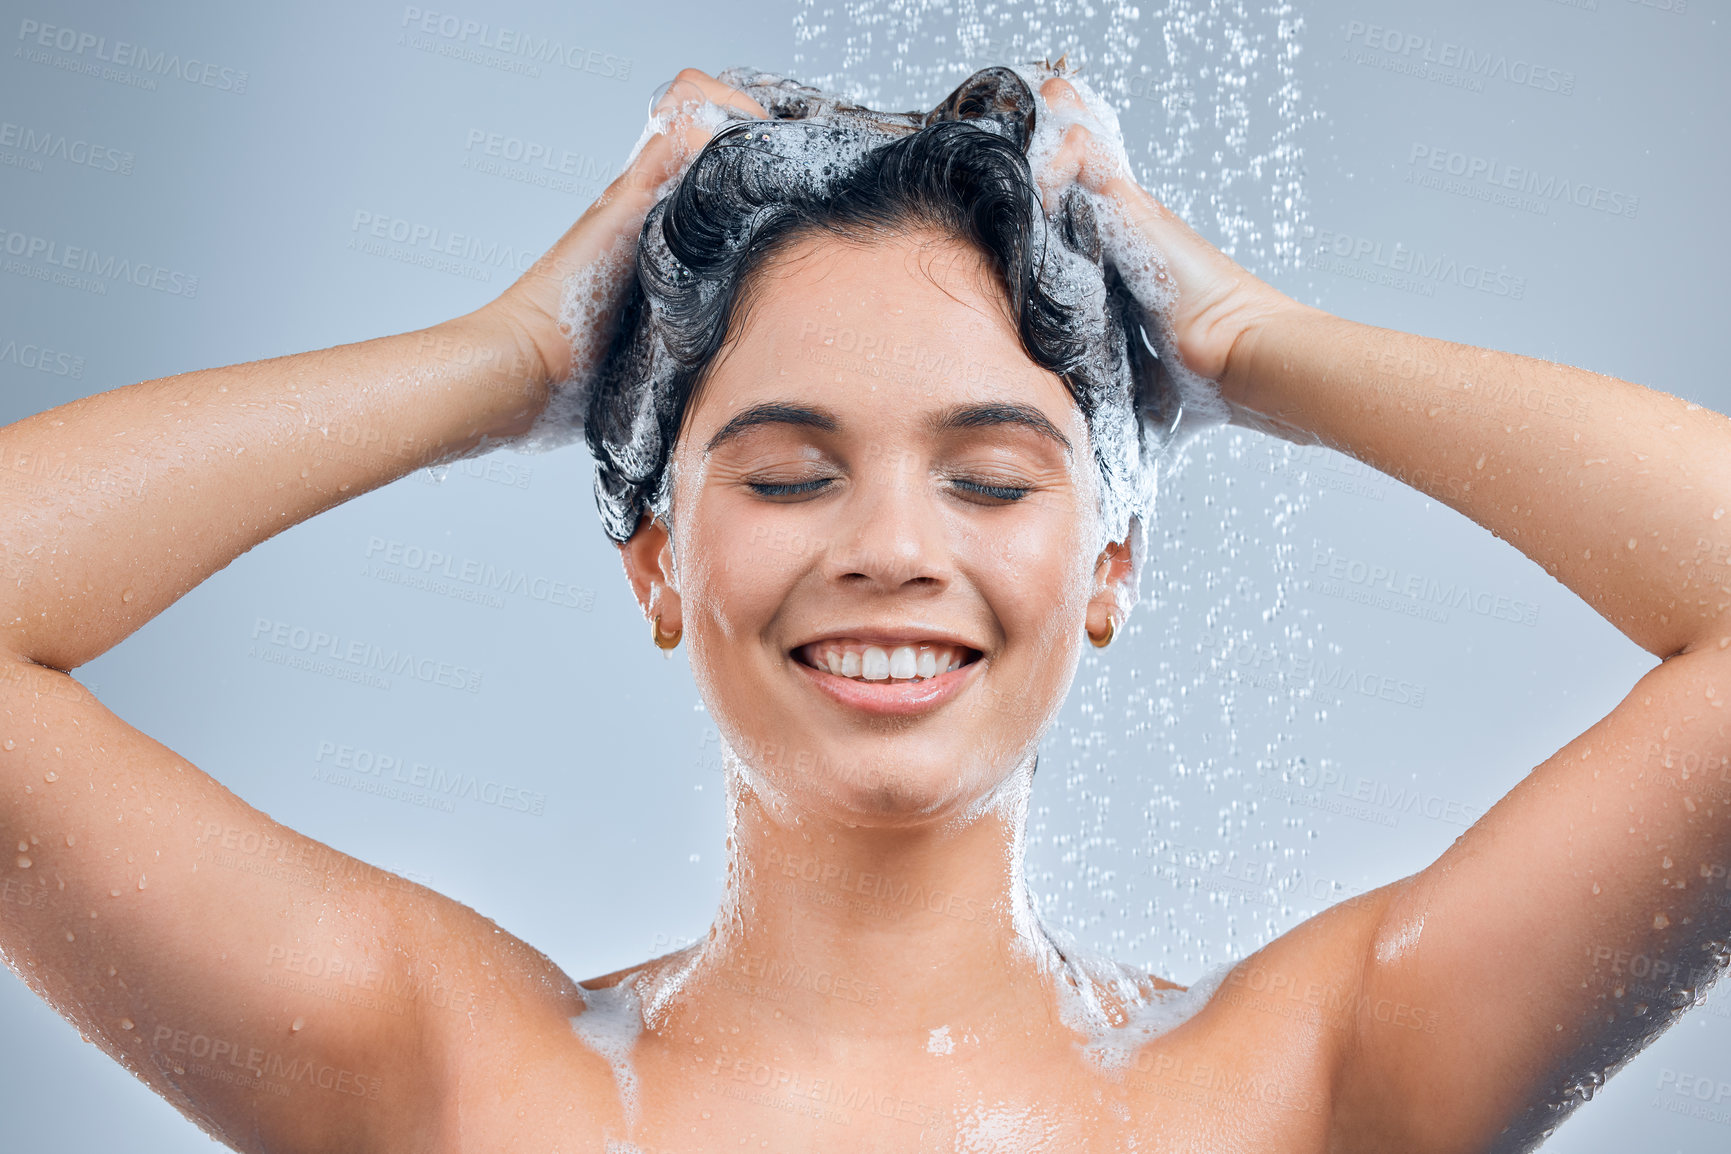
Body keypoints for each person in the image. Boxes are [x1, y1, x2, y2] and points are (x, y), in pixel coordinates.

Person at [0, 58, 1726, 1154]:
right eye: (784, 471)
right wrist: (511, 361)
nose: (894, 546)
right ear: (658, 557)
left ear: (1110, 562)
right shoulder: (466, 1088)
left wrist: (1246, 345)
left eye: (989, 477)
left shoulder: (1306, 1087)